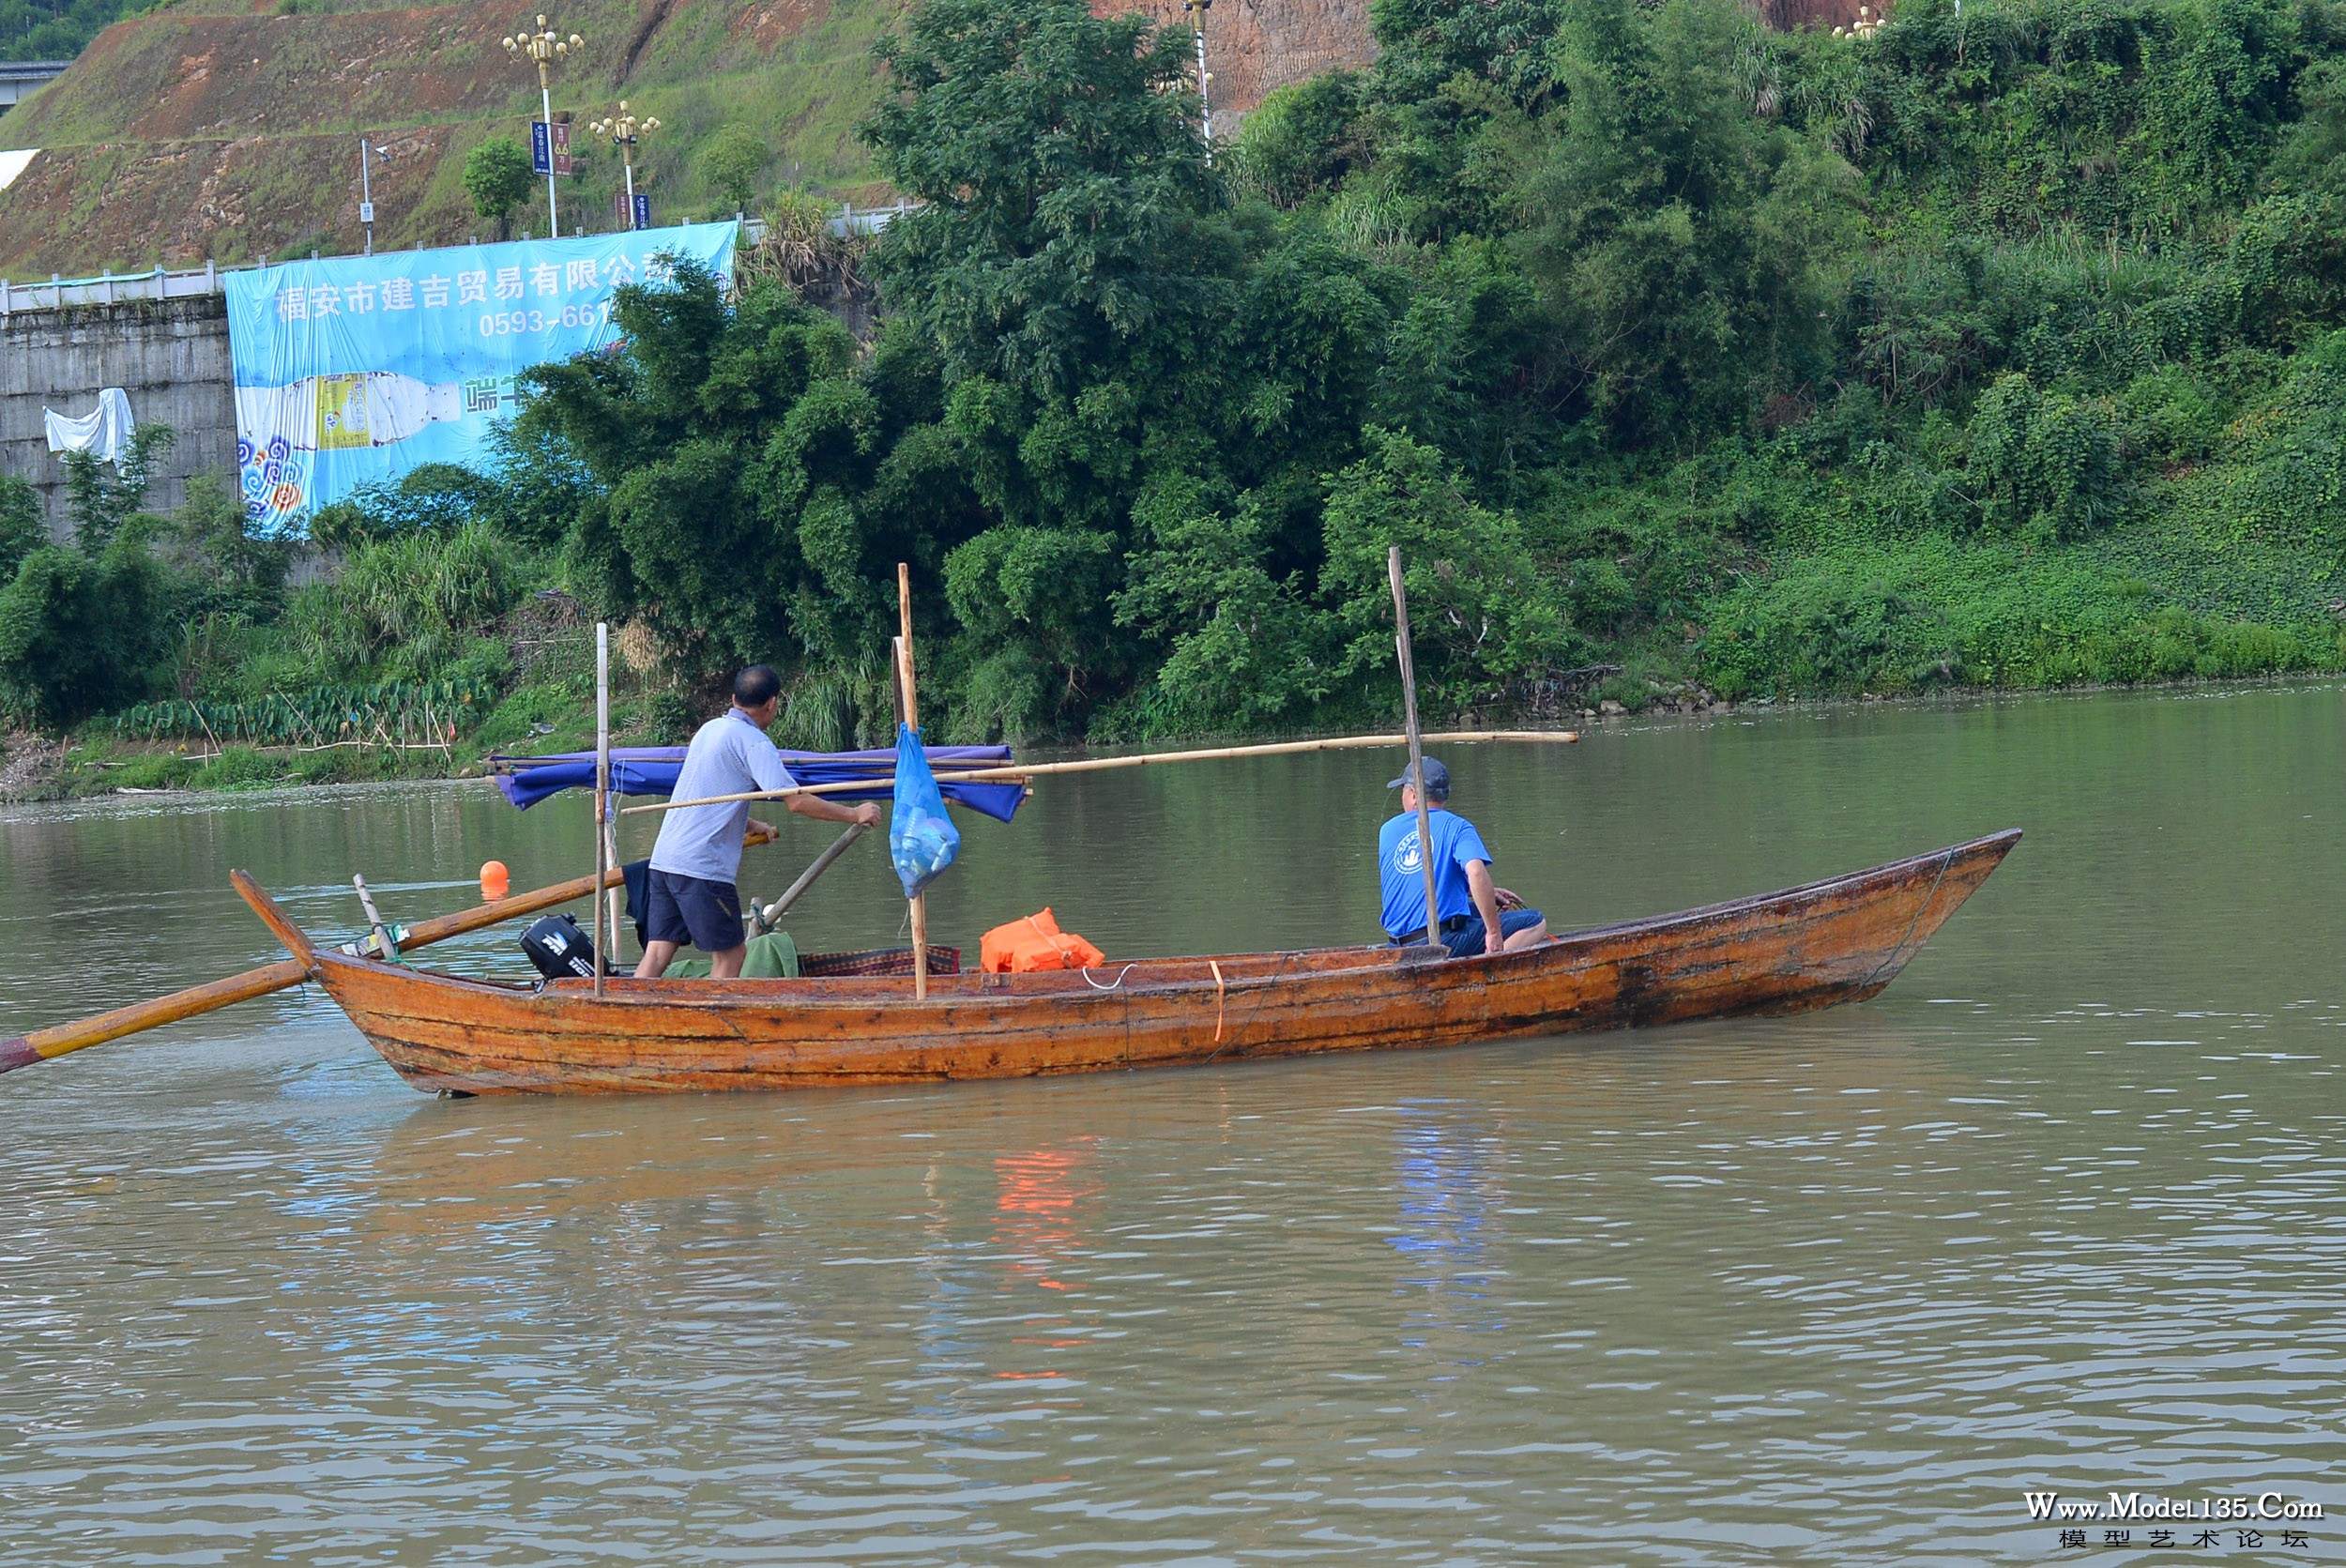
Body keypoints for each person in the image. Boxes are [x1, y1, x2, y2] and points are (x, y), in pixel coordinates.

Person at [635, 665, 880, 980]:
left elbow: (709, 795)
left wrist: (749, 824)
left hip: (665, 860)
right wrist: (854, 813)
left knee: (657, 953)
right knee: (732, 956)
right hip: (700, 866)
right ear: (772, 704)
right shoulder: (754, 742)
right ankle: (713, 1025)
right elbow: (796, 801)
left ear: (735, 698)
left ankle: (616, 1016)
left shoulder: (709, 730)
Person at [1378, 757, 1549, 958]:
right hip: (1438, 943)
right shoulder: (1457, 826)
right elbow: (1476, 871)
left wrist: (1482, 892)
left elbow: (1414, 885)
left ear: (1414, 795)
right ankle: (1487, 969)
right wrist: (1494, 932)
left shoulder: (1387, 830)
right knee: (1535, 922)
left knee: (1474, 909)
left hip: (1396, 946)